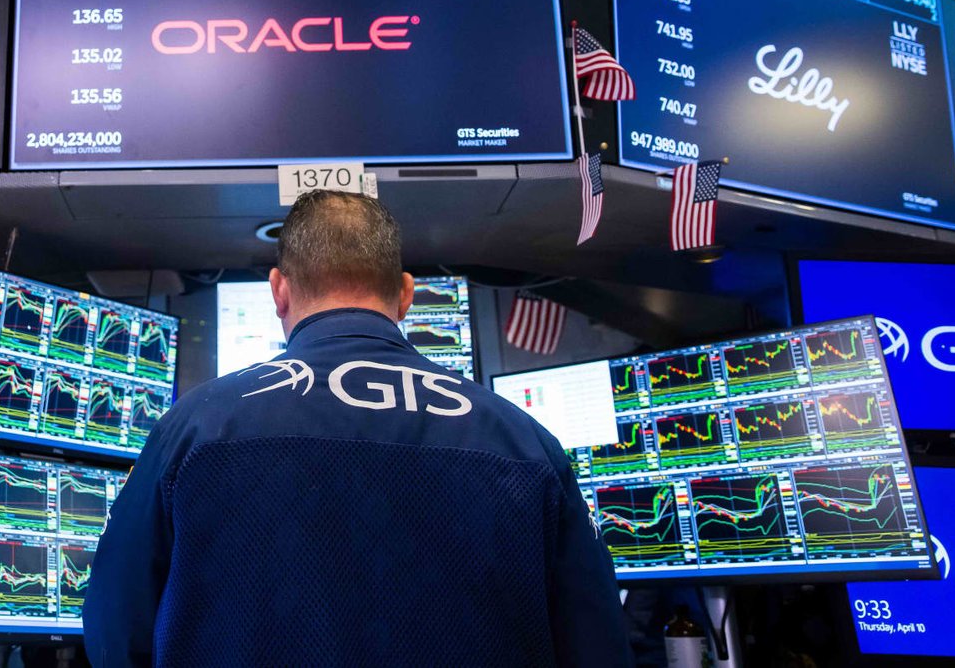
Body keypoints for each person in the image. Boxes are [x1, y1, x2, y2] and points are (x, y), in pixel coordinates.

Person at [84, 190, 631, 667]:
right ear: (406, 294)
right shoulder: (526, 442)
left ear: (279, 291)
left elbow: (115, 628)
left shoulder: (193, 429)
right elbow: (597, 645)